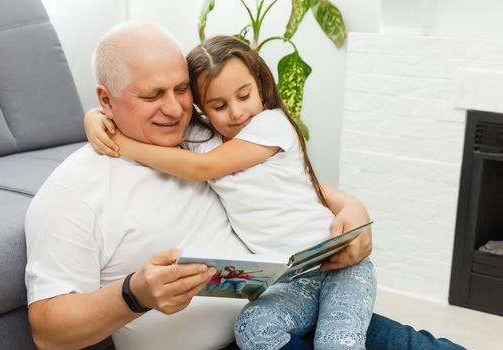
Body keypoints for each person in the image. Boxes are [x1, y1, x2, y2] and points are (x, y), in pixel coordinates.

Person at [24, 21, 374, 350]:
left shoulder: (202, 137)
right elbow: (47, 330)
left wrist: (349, 206)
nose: (175, 109)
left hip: (300, 295)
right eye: (152, 96)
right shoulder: (72, 192)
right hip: (261, 328)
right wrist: (134, 294)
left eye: (181, 89)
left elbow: (282, 185)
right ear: (105, 100)